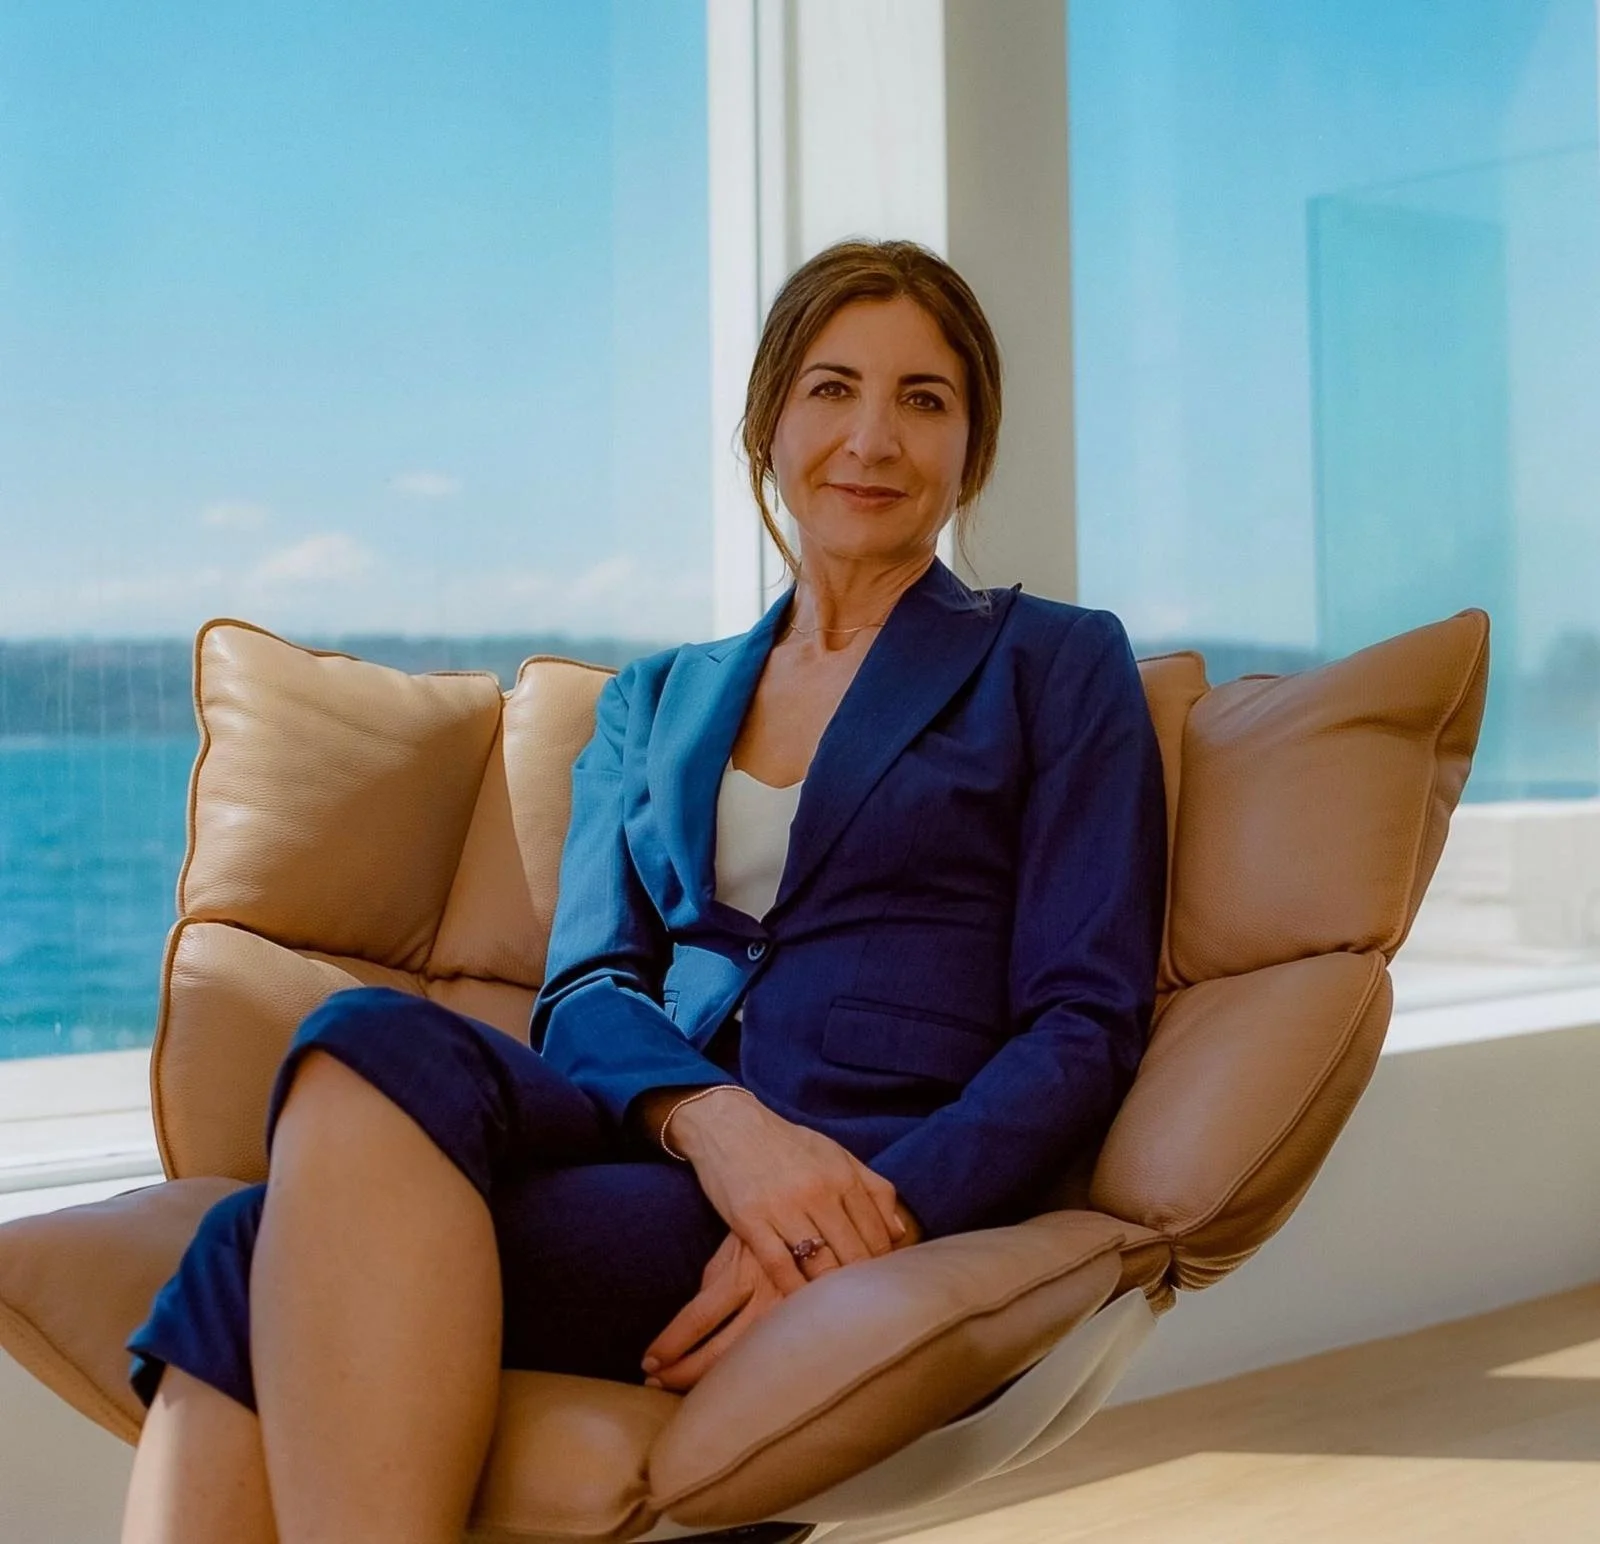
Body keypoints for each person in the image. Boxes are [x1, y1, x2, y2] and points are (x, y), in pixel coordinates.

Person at [118, 239, 1168, 1544]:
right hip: (651, 1144)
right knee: (358, 1039)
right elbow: (592, 985)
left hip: (862, 1155)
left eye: (924, 399)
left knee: (241, 1252)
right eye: (833, 389)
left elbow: (1084, 1019)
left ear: (973, 448)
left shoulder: (1054, 663)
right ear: (769, 423)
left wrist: (856, 1218)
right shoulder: (657, 698)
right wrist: (716, 1125)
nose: (873, 438)